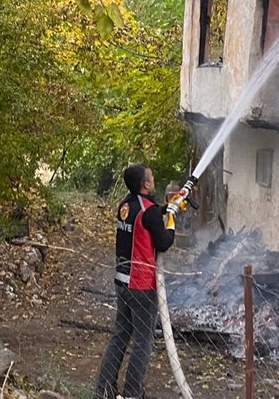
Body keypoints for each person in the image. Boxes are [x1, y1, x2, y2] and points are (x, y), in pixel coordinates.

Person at [94, 163, 182, 399]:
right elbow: (163, 242)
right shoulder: (149, 210)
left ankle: (104, 390)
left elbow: (147, 217)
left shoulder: (126, 205)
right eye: (151, 177)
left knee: (120, 335)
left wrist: (166, 207)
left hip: (122, 282)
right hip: (142, 286)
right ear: (145, 184)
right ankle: (132, 393)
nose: (153, 179)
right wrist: (172, 218)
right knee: (143, 341)